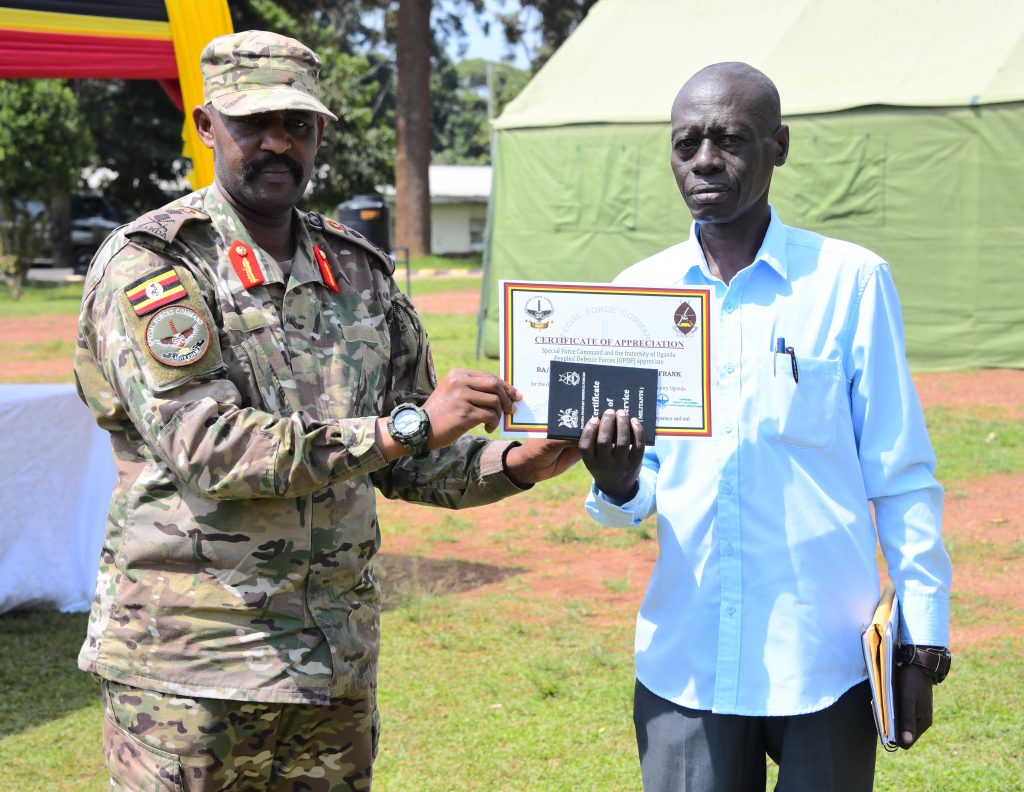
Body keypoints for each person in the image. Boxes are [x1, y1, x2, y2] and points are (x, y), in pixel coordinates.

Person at [73, 30, 578, 791]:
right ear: (207, 126)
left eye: (298, 125)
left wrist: (516, 463)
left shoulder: (359, 270)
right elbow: (210, 446)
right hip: (193, 667)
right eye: (253, 124)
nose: (277, 144)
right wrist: (405, 428)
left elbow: (417, 455)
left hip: (330, 667)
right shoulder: (154, 264)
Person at [578, 62, 952, 792]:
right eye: (687, 143)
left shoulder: (849, 282)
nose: (705, 160)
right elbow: (635, 490)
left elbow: (901, 473)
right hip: (688, 657)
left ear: (780, 144)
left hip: (825, 656)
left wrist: (924, 639)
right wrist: (618, 481)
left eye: (730, 139)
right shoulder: (635, 296)